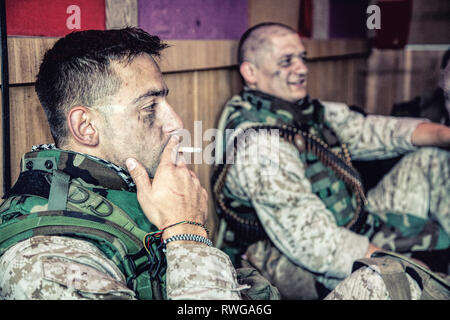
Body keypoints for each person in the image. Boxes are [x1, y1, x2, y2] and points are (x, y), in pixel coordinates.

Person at [0, 28, 262, 300]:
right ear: (86, 126)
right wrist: (186, 231)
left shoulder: (124, 190)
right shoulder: (44, 260)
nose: (176, 124)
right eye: (149, 107)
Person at [212, 22, 450, 299]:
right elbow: (318, 246)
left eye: (302, 58)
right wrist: (404, 265)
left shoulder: (304, 113)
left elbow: (373, 132)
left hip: (350, 224)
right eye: (286, 62)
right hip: (301, 262)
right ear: (250, 72)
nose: (301, 69)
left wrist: (444, 134)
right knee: (395, 281)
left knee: (432, 159)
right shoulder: (261, 147)